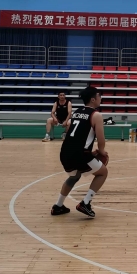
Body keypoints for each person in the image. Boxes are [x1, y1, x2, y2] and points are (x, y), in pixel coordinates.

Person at [50, 86, 109, 219]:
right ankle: (85, 203)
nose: (100, 98)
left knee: (74, 176)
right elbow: (101, 139)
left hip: (65, 152)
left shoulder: (77, 112)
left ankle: (58, 206)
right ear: (93, 99)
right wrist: (101, 151)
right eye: (99, 96)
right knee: (103, 172)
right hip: (80, 154)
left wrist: (90, 152)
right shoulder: (96, 115)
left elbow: (71, 130)